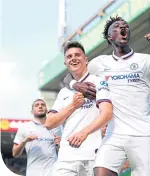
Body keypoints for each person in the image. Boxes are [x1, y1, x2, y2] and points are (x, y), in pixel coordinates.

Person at [63, 16, 150, 176]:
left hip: (143, 135)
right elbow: (70, 74)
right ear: (110, 37)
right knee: (100, 172)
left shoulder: (147, 60)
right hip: (114, 135)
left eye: (125, 26)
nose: (123, 28)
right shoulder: (99, 63)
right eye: (117, 27)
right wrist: (75, 85)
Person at [45, 41, 113, 176]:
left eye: (77, 55)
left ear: (86, 60)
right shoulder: (64, 92)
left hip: (94, 156)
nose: (73, 58)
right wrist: (73, 106)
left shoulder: (99, 82)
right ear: (66, 63)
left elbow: (107, 114)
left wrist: (84, 133)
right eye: (69, 57)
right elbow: (49, 122)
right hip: (67, 157)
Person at [12, 99, 62, 176]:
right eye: (37, 105)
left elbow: (63, 152)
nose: (40, 106)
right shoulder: (24, 127)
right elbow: (15, 154)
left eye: (43, 105)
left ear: (46, 110)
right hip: (33, 172)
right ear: (32, 111)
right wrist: (24, 141)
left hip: (53, 172)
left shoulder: (57, 126)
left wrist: (60, 144)